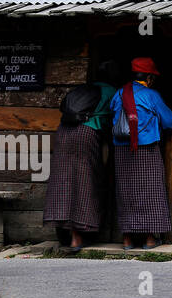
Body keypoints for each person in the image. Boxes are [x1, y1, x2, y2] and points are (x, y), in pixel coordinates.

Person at [43, 61, 118, 252]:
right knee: (84, 182)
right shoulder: (111, 92)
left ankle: (63, 235)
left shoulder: (83, 89)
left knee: (63, 181)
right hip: (86, 133)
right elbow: (115, 120)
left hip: (63, 133)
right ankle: (77, 238)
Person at [110, 57, 172, 251]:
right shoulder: (151, 95)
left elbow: (112, 116)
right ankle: (149, 239)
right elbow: (169, 121)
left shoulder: (119, 93)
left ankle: (127, 239)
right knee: (150, 191)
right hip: (145, 149)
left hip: (122, 150)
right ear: (149, 77)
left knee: (126, 192)